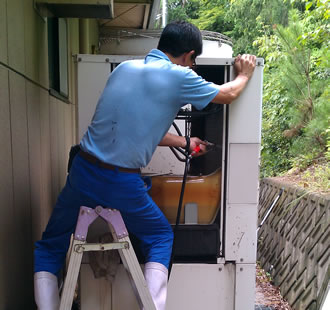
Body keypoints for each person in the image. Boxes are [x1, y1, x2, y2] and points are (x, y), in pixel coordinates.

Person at [34, 21, 256, 310]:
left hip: (82, 171)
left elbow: (135, 127)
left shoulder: (125, 69)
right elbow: (228, 94)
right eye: (193, 61)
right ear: (189, 56)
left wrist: (184, 143)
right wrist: (246, 73)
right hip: (119, 182)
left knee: (50, 244)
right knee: (160, 235)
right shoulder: (179, 75)